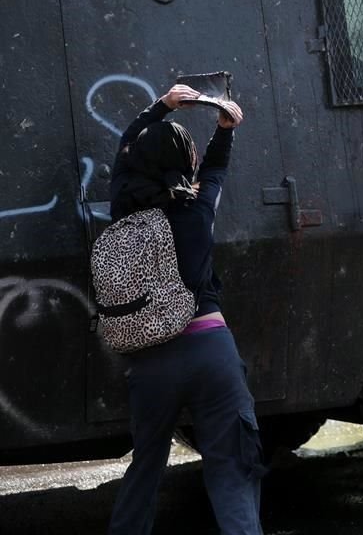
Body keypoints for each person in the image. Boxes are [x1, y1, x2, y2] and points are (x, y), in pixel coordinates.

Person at [108, 83, 266, 534]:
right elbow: (215, 168)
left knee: (146, 469)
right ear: (188, 162)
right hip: (209, 350)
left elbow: (125, 149)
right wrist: (224, 129)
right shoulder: (198, 210)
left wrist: (161, 107)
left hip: (151, 360)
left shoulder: (123, 207)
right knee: (233, 469)